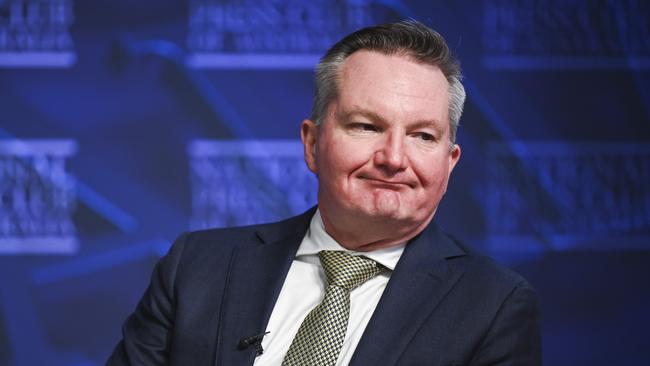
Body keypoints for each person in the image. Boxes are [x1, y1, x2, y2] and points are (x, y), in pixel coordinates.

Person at [108, 20, 541, 366]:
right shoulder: (195, 267)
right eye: (366, 126)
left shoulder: (494, 305)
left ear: (449, 164)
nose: (393, 157)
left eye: (422, 136)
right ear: (312, 144)